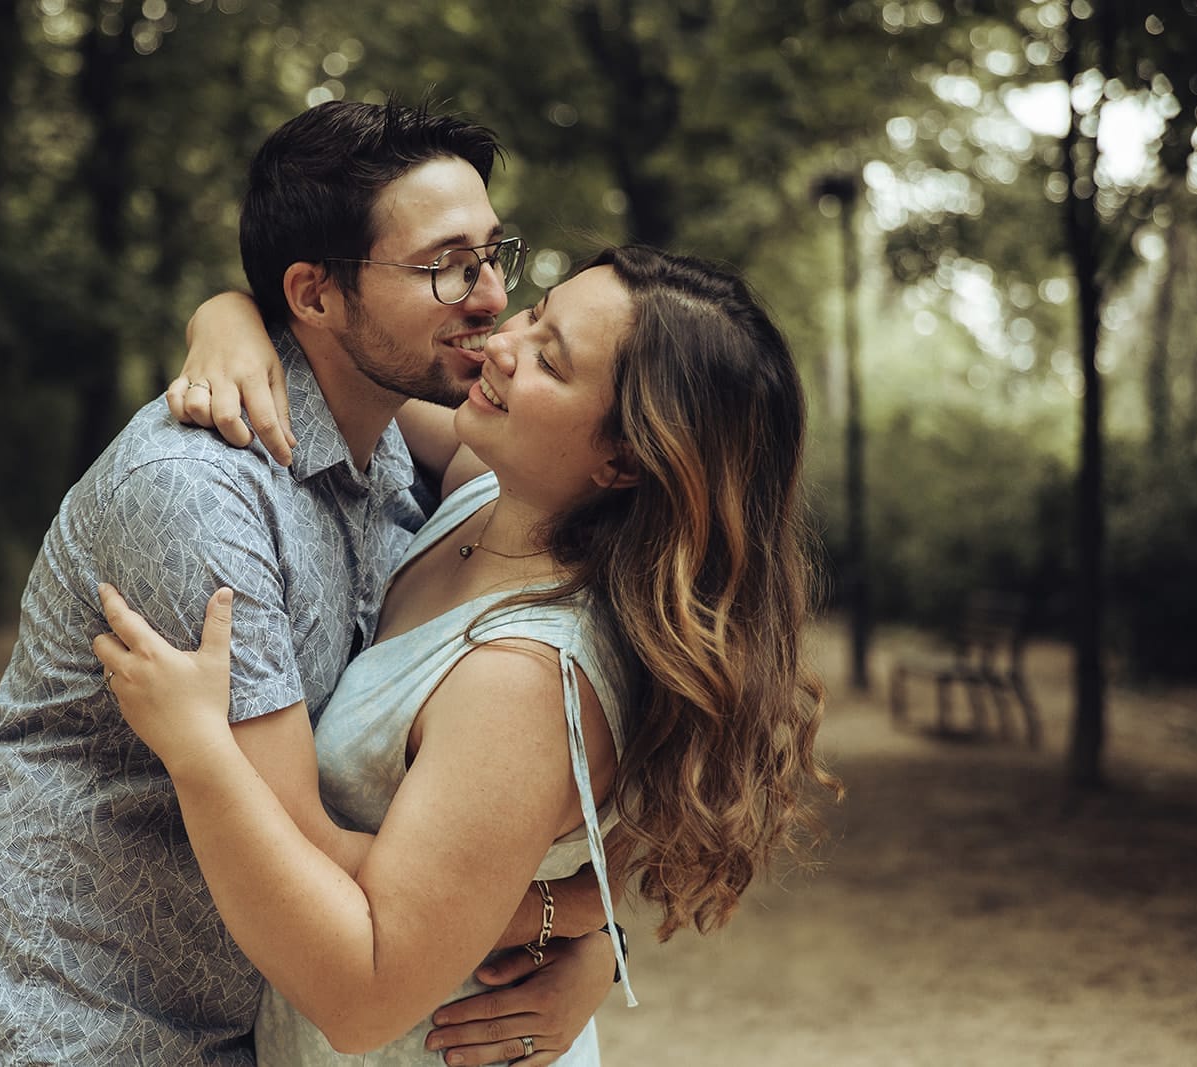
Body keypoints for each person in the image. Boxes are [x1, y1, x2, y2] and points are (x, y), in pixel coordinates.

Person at [0, 100, 618, 1066]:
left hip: (235, 1025)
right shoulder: (200, 498)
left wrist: (596, 942)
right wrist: (563, 915)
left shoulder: (402, 451)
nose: (490, 296)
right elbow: (310, 848)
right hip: (72, 1018)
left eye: (495, 254)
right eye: (447, 264)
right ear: (316, 296)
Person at [97, 246, 843, 1064]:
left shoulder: (520, 680)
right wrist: (227, 320)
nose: (503, 343)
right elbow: (344, 374)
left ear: (624, 459)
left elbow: (366, 995)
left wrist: (201, 751)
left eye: (551, 361)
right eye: (537, 313)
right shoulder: (488, 480)